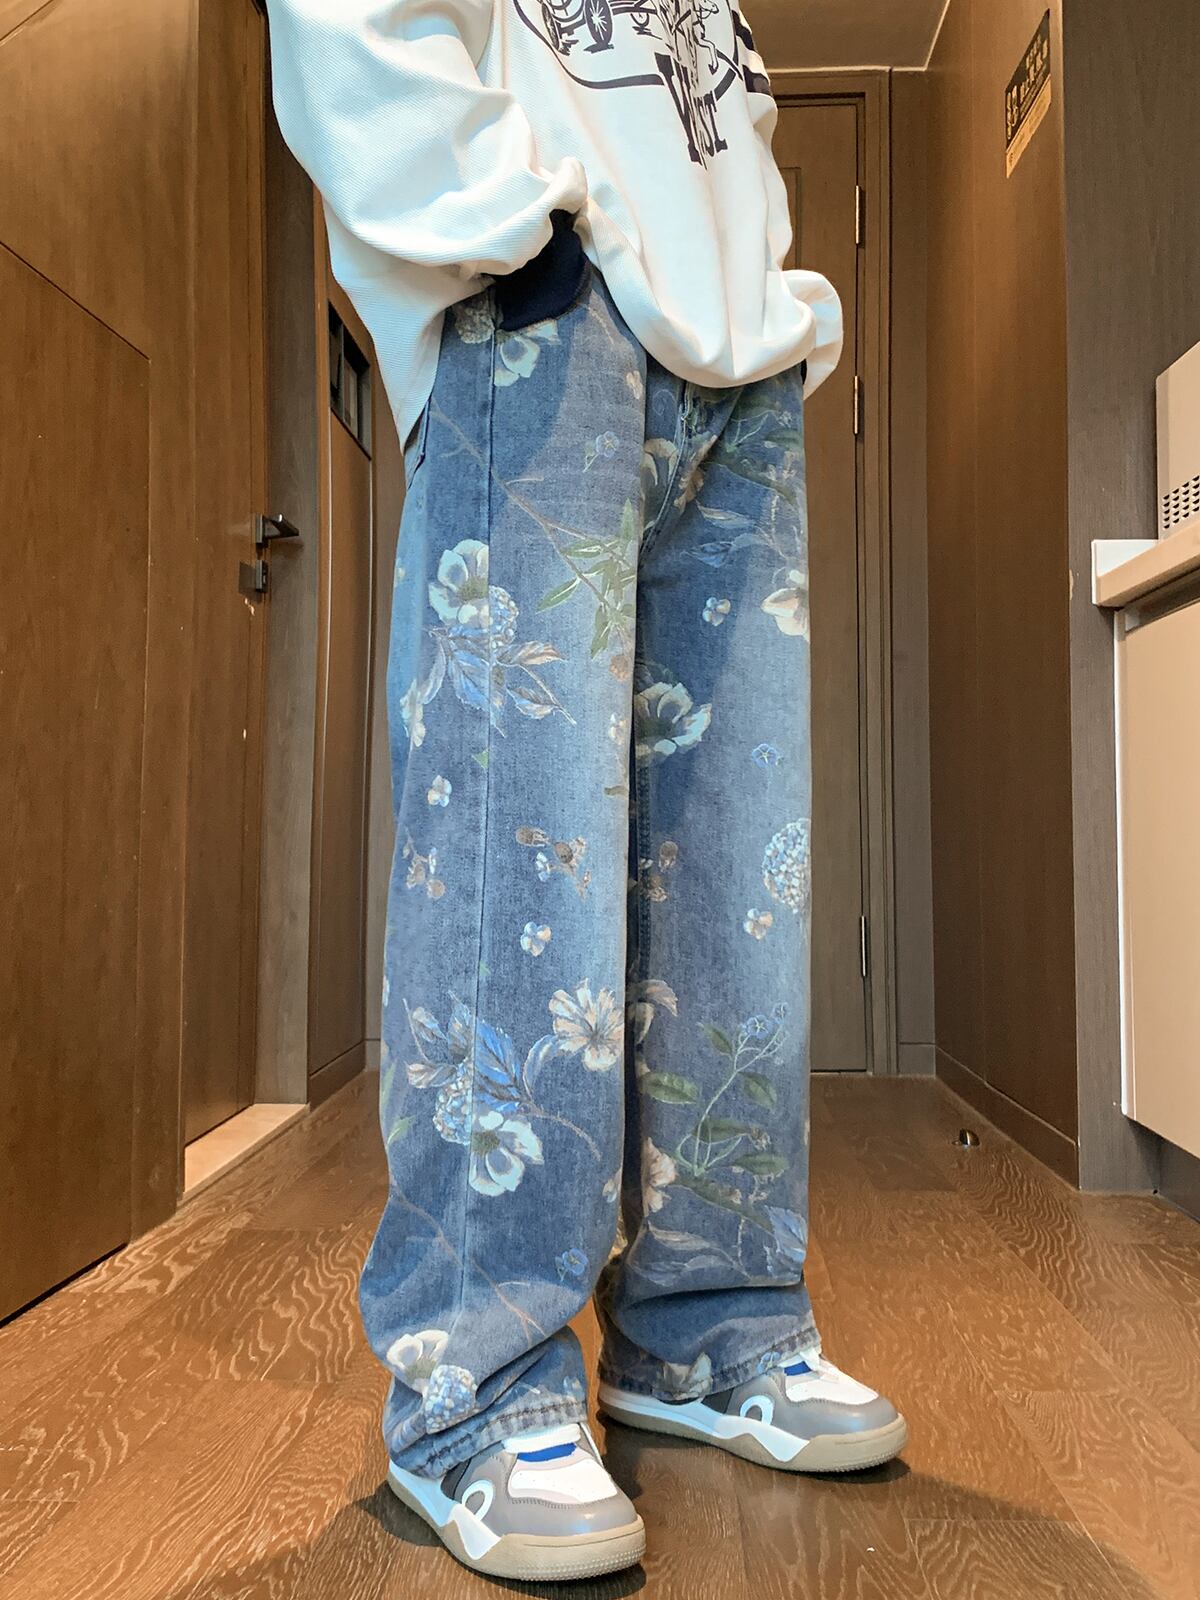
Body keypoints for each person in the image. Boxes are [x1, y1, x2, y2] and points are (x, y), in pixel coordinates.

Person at [266, 0, 906, 1581]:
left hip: (734, 354)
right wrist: (506, 236)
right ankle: (479, 1380)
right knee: (518, 853)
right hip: (544, 307)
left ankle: (710, 1323)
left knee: (735, 870)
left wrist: (765, 296)